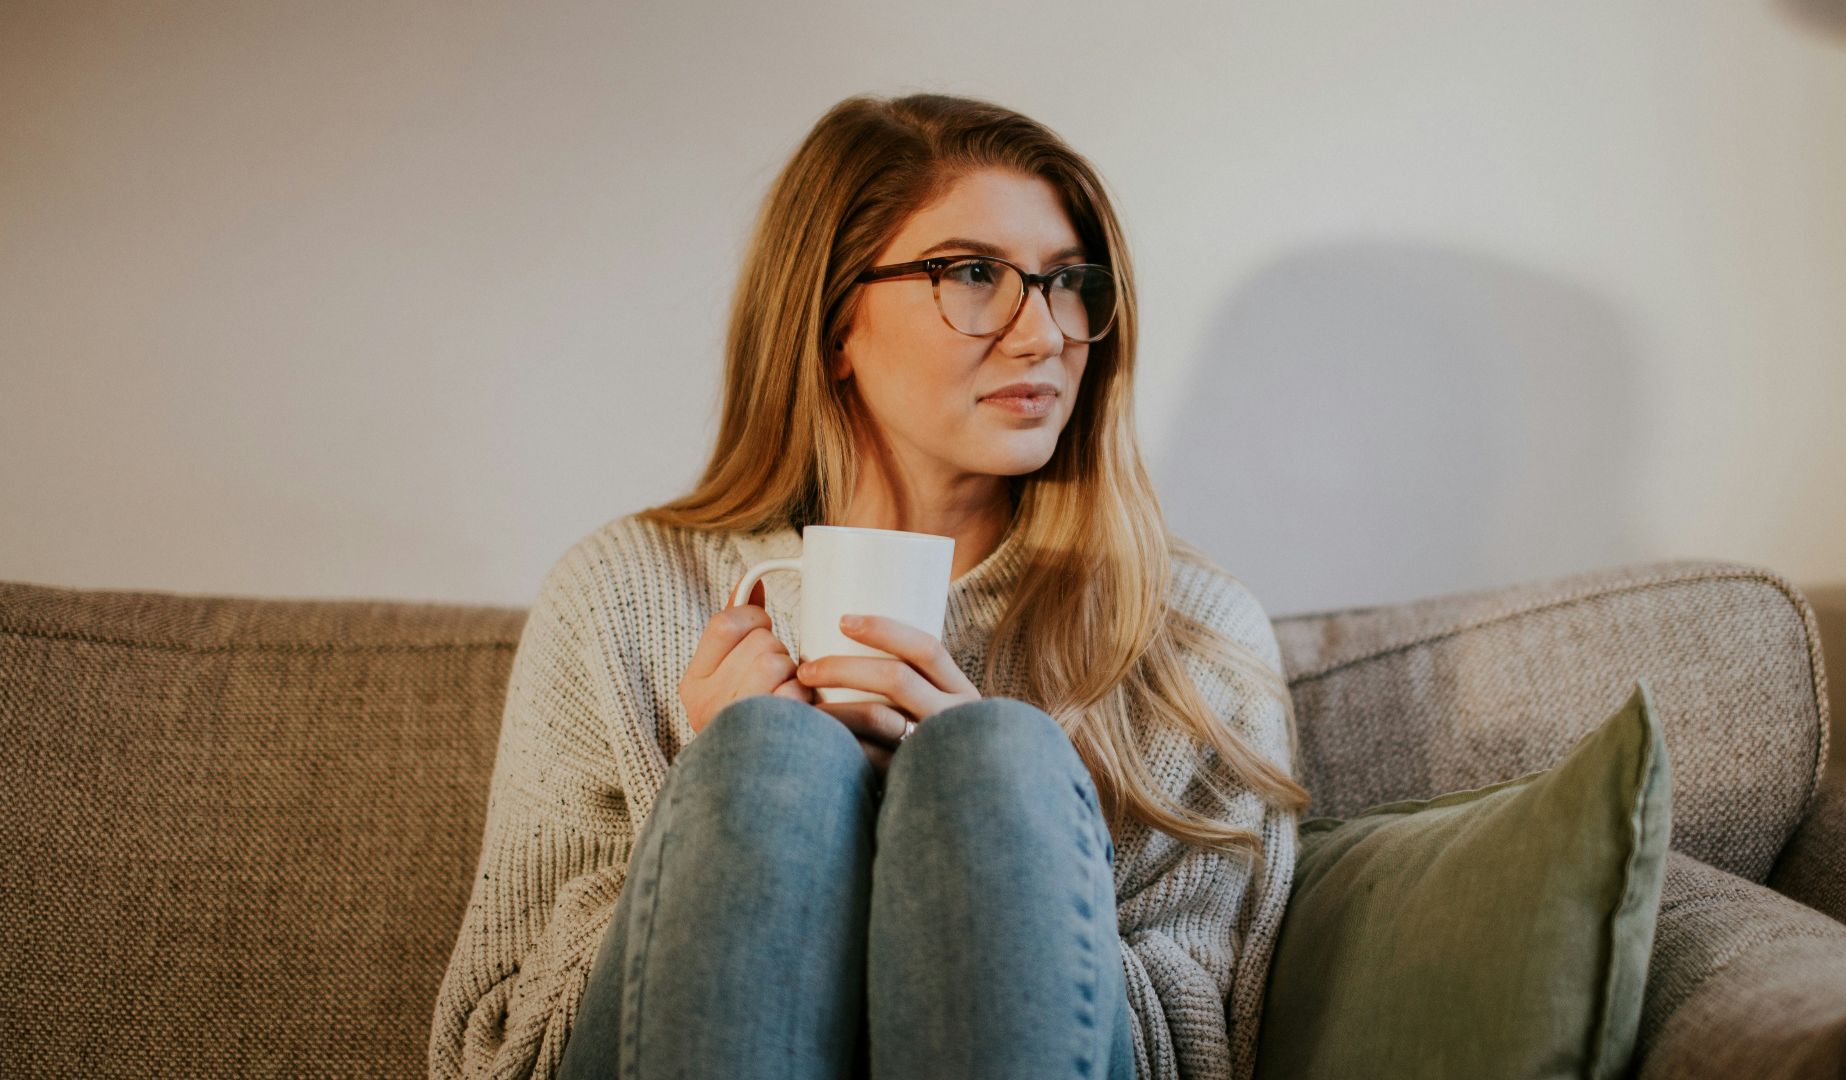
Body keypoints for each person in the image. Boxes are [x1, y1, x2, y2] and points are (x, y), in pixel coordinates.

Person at [427, 91, 1310, 1080]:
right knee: (766, 758)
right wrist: (723, 807)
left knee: (993, 760)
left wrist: (988, 839)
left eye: (1068, 284)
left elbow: (1206, 1049)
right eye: (974, 275)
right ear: (835, 318)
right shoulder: (622, 594)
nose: (1044, 335)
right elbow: (496, 1052)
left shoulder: (1185, 632)